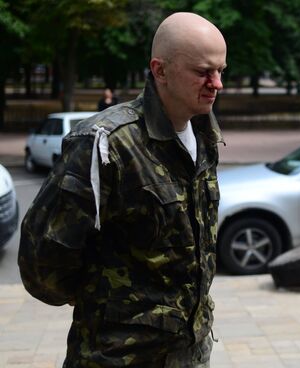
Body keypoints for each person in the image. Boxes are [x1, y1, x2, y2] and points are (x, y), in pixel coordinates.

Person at [18, 12, 227, 367]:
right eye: (203, 71)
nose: (217, 83)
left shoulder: (204, 134)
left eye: (221, 70)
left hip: (189, 352)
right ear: (160, 70)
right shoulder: (106, 143)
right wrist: (97, 299)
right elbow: (42, 258)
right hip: (118, 356)